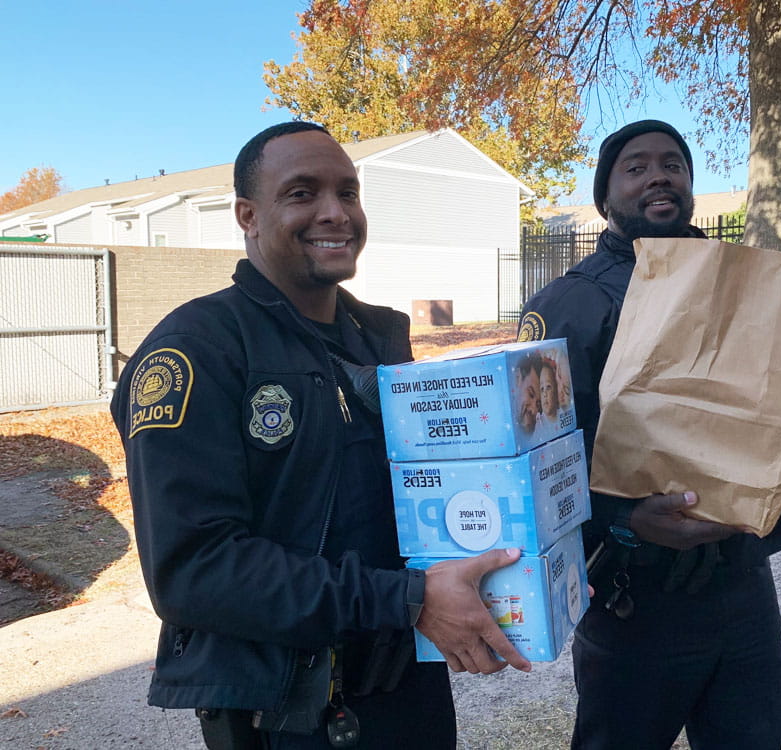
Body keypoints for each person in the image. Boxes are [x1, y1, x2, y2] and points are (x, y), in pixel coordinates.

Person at [110, 121, 530, 750]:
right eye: (302, 193)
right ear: (247, 215)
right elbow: (194, 570)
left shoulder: (376, 342)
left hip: (404, 689)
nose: (335, 213)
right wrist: (408, 598)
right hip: (293, 715)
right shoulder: (195, 351)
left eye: (349, 193)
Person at [517, 119, 781, 749]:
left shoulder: (746, 284)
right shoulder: (571, 304)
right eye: (635, 168)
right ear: (605, 199)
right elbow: (533, 457)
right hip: (635, 599)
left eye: (673, 165)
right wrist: (624, 518)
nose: (659, 176)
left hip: (743, 589)